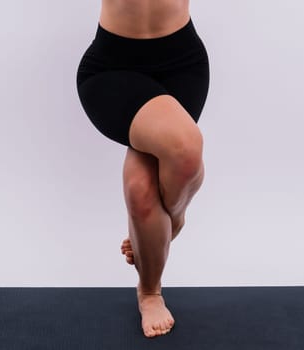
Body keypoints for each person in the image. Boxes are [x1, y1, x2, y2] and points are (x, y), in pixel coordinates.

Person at [76, 0, 209, 338]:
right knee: (179, 151)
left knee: (151, 183)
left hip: (183, 64)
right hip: (111, 68)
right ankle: (152, 285)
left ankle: (167, 233)